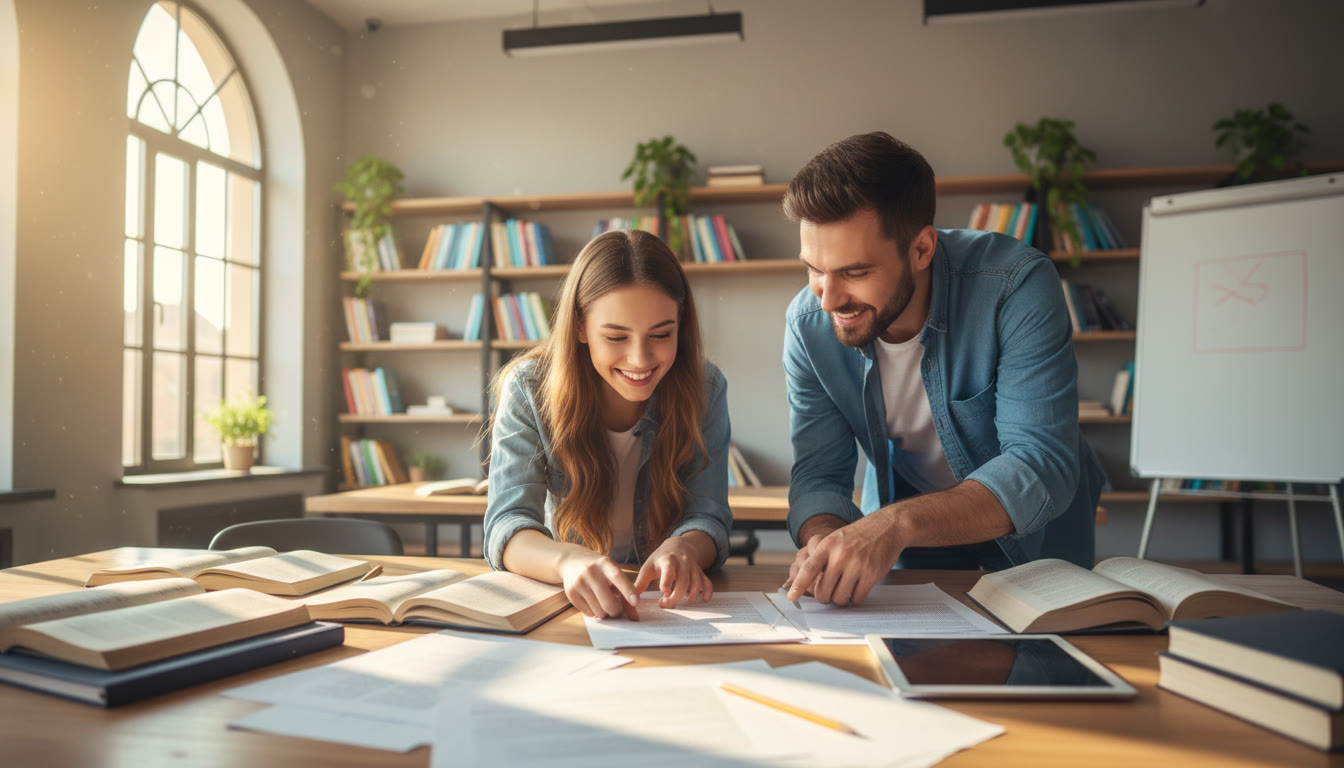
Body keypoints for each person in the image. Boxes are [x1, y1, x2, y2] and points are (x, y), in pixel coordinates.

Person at [781, 131, 1106, 606]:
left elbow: (1040, 464)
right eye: (813, 269)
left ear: (921, 249)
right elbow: (819, 476)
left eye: (854, 272)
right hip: (907, 540)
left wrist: (895, 524)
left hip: (1033, 539)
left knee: (1043, 672)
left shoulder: (1015, 286)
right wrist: (824, 541)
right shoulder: (808, 325)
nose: (828, 299)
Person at [483, 229, 733, 620]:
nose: (639, 359)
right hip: (572, 602)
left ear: (681, 326)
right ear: (580, 327)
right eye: (616, 336)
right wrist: (566, 561)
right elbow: (507, 526)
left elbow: (708, 515)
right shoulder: (529, 388)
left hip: (664, 604)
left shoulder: (705, 388)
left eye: (662, 334)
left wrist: (684, 547)